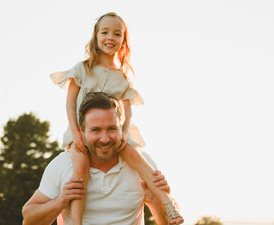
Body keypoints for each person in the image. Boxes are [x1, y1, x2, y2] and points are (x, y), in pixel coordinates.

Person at [49, 12, 183, 225]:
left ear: (123, 42)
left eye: (117, 34)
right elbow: (70, 103)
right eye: (105, 32)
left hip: (116, 132)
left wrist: (123, 133)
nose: (110, 37)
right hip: (83, 133)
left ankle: (169, 205)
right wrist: (76, 133)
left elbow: (128, 112)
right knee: (80, 172)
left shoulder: (122, 77)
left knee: (140, 160)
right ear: (96, 37)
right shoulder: (82, 69)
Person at [22, 92, 176, 225]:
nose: (104, 139)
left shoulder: (143, 164)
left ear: (122, 129)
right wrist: (61, 201)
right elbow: (28, 220)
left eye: (111, 129)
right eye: (95, 130)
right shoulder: (63, 164)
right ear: (81, 131)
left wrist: (156, 203)